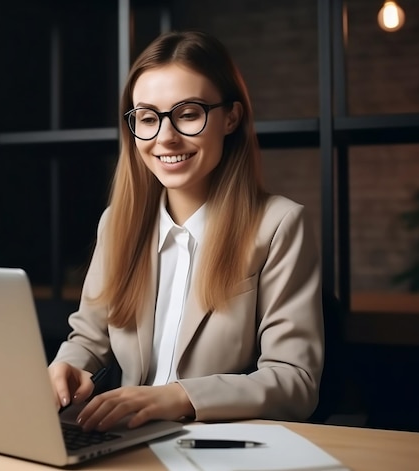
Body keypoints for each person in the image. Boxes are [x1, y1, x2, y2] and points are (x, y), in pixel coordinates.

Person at [48, 30, 324, 433]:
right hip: (122, 439)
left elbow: (295, 381)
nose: (165, 137)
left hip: (215, 444)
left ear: (231, 117)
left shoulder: (279, 225)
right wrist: (68, 366)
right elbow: (89, 338)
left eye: (188, 113)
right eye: (147, 117)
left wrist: (177, 397)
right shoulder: (118, 222)